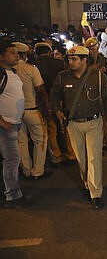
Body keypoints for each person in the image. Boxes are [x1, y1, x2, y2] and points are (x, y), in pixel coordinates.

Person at [49, 46, 107, 210]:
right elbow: (54, 96)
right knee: (81, 159)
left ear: (85, 60)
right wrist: (57, 112)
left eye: (75, 59)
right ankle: (87, 184)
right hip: (73, 124)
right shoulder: (63, 77)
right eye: (69, 59)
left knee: (94, 159)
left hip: (94, 123)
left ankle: (96, 193)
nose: (71, 62)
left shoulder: (98, 77)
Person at [13, 42, 51, 180]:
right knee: (40, 140)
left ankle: (26, 170)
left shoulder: (8, 70)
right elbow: (41, 90)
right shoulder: (30, 69)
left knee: (21, 142)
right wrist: (47, 109)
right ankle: (38, 171)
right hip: (32, 110)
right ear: (24, 54)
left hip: (15, 113)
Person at [34, 42, 75, 166]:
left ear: (36, 53)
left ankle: (56, 156)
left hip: (44, 100)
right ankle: (71, 154)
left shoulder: (34, 66)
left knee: (51, 128)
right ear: (49, 52)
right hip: (62, 98)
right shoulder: (59, 63)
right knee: (66, 126)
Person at [0, 42, 29, 208]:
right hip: (6, 125)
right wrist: (2, 121)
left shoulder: (13, 73)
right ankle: (13, 196)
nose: (16, 55)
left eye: (17, 53)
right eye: (12, 53)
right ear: (2, 56)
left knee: (11, 159)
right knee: (12, 159)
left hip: (15, 123)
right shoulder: (1, 74)